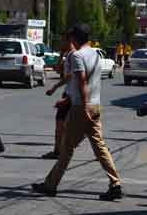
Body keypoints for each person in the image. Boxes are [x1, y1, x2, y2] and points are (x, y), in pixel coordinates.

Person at [32, 24, 123, 201]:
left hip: (82, 108)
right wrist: (69, 99)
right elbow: (83, 82)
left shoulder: (77, 56)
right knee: (100, 147)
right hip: (95, 105)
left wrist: (82, 107)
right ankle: (115, 183)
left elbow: (81, 82)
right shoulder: (95, 54)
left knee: (66, 149)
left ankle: (50, 186)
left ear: (74, 38)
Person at [41, 32, 75, 159]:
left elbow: (70, 76)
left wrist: (54, 87)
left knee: (82, 127)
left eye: (63, 41)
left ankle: (59, 151)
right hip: (68, 93)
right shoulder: (67, 55)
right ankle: (57, 151)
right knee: (60, 122)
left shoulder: (74, 56)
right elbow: (58, 70)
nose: (61, 43)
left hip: (72, 96)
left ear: (69, 40)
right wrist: (61, 54)